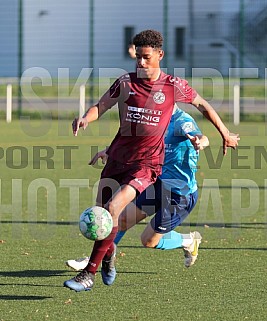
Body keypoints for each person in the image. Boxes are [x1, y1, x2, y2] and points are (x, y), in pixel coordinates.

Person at [64, 29, 239, 292]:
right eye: (138, 58)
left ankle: (89, 273)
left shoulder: (173, 89)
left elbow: (201, 108)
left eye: (146, 57)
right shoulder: (126, 83)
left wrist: (219, 135)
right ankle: (107, 255)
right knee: (106, 217)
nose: (141, 63)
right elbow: (102, 106)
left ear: (160, 55)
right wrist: (86, 119)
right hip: (120, 160)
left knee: (115, 213)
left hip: (153, 171)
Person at [66, 108, 209, 272]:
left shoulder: (181, 121)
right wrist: (109, 151)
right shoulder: (152, 119)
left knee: (148, 241)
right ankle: (92, 260)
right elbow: (135, 143)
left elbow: (202, 137)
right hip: (157, 183)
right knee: (122, 219)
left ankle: (188, 241)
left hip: (180, 194)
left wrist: (199, 142)